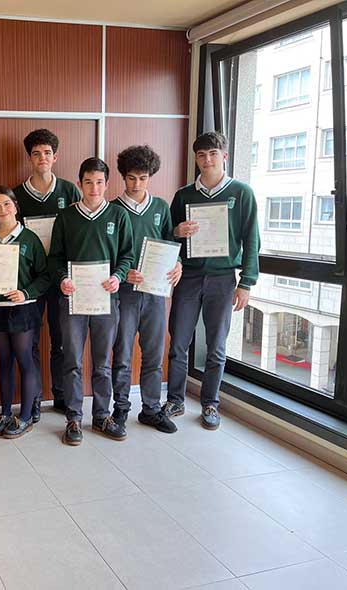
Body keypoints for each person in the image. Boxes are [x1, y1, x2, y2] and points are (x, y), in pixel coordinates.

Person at [165, 131, 260, 430]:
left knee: (216, 346)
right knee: (178, 343)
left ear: (224, 156)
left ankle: (210, 403)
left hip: (222, 279)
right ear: (196, 159)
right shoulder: (184, 195)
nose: (207, 160)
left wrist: (246, 282)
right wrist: (177, 232)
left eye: (213, 154)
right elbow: (167, 236)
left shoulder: (241, 193)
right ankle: (175, 400)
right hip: (189, 278)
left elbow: (252, 239)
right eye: (202, 155)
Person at [49, 157, 135, 446]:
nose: (94, 188)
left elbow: (127, 255)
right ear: (79, 184)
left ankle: (101, 416)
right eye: (88, 182)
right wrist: (62, 278)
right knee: (72, 360)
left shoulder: (118, 216)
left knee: (102, 362)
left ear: (107, 184)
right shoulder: (66, 217)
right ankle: (73, 418)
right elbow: (55, 258)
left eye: (99, 182)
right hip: (73, 299)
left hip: (106, 300)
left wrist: (118, 276)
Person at [110, 145, 182, 434]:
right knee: (123, 354)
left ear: (150, 176)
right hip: (125, 293)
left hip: (154, 292)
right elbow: (107, 252)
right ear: (123, 177)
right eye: (131, 178)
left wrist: (178, 264)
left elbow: (170, 244)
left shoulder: (161, 207)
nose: (137, 184)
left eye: (142, 178)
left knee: (153, 353)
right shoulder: (113, 209)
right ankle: (120, 409)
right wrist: (123, 272)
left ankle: (151, 409)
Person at [13, 129, 82, 421]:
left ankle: (61, 396)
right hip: (30, 280)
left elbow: (79, 230)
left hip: (61, 279)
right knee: (30, 342)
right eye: (36, 153)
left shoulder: (69, 191)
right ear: (29, 158)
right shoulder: (17, 195)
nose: (42, 158)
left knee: (61, 340)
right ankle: (34, 399)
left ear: (55, 157)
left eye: (47, 153)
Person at [0, 187, 50, 438]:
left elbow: (45, 276)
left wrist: (26, 293)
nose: (2, 210)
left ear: (15, 206)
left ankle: (25, 417)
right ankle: (5, 413)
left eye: (6, 204)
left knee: (25, 359)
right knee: (4, 360)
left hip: (23, 310)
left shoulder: (29, 238)